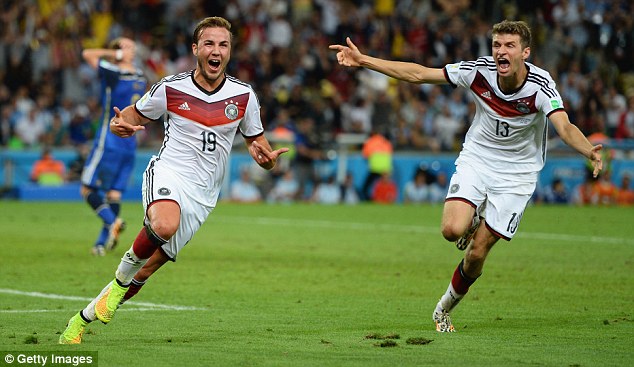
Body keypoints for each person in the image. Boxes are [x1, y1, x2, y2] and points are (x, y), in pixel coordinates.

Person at [330, 20, 603, 332]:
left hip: (517, 175)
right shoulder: (477, 71)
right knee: (451, 229)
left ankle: (444, 307)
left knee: (476, 253)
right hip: (479, 158)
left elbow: (564, 127)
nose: (501, 51)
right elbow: (420, 74)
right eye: (497, 45)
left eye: (509, 46)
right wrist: (364, 60)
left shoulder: (541, 87)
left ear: (525, 52)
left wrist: (588, 150)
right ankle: (472, 220)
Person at [59, 16, 289, 344]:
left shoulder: (244, 96)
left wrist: (265, 159)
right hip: (169, 172)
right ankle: (120, 283)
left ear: (230, 51)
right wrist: (118, 125)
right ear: (196, 49)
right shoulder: (171, 88)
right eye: (209, 43)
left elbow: (257, 142)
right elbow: (130, 116)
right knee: (164, 225)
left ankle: (79, 322)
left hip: (204, 195)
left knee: (147, 269)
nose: (216, 50)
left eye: (223, 44)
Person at [80, 37, 148, 256]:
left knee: (87, 189)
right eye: (128, 46)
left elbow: (88, 54)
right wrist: (117, 54)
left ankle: (112, 222)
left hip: (109, 138)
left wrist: (115, 55)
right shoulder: (140, 76)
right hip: (130, 142)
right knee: (114, 194)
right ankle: (101, 243)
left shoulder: (113, 72)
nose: (133, 49)